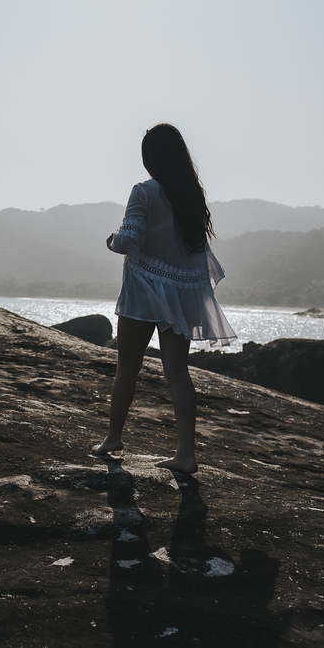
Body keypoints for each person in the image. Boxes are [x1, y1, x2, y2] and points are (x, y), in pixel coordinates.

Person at [91, 123, 236, 474]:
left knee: (127, 368)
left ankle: (113, 438)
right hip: (182, 294)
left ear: (151, 158)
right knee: (178, 372)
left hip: (143, 291)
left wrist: (112, 241)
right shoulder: (191, 197)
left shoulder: (144, 191)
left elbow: (130, 239)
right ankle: (186, 454)